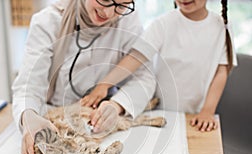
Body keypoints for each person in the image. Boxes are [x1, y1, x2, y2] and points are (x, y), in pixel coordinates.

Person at [12, 0, 155, 154]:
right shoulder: (48, 22)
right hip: (54, 118)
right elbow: (28, 86)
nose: (108, 13)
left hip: (97, 121)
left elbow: (145, 77)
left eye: (121, 5)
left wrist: (117, 105)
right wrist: (29, 118)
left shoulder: (127, 21)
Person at [81, 0, 237, 132]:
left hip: (195, 116)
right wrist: (104, 84)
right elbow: (136, 58)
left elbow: (221, 72)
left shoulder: (221, 27)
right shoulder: (163, 23)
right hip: (158, 113)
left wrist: (207, 111)